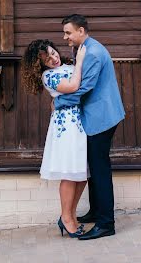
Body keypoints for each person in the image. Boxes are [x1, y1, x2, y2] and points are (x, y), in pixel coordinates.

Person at [54, 14, 125, 240]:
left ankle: (106, 223)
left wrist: (58, 102)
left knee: (100, 170)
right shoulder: (83, 49)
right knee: (94, 169)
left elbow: (84, 88)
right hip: (96, 116)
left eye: (68, 32)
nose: (65, 37)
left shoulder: (92, 53)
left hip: (101, 118)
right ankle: (96, 212)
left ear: (81, 31)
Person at [21, 38, 88, 238]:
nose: (53, 58)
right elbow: (75, 86)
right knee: (70, 173)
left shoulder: (68, 65)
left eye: (52, 52)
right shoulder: (48, 76)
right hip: (66, 127)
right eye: (46, 58)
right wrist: (81, 60)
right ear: (40, 65)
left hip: (81, 123)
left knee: (82, 174)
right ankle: (66, 219)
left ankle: (70, 215)